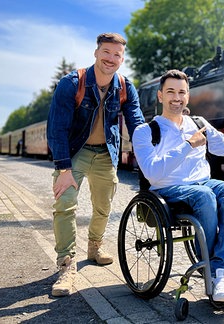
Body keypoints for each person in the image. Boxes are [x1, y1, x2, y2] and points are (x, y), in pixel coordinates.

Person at [132, 69, 224, 303]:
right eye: (170, 92)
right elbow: (152, 172)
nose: (176, 97)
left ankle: (220, 271)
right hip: (168, 189)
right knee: (204, 196)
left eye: (182, 92)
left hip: (203, 183)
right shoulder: (146, 131)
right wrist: (188, 145)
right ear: (160, 96)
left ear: (188, 97)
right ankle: (214, 273)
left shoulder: (198, 124)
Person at [47, 32, 145, 297]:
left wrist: (154, 147)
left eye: (117, 55)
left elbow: (137, 123)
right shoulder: (72, 83)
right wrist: (64, 169)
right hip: (74, 153)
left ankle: (94, 246)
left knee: (104, 206)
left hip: (105, 154)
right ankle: (67, 265)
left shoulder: (125, 86)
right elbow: (56, 128)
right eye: (106, 52)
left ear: (122, 58)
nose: (111, 59)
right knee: (65, 204)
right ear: (96, 53)